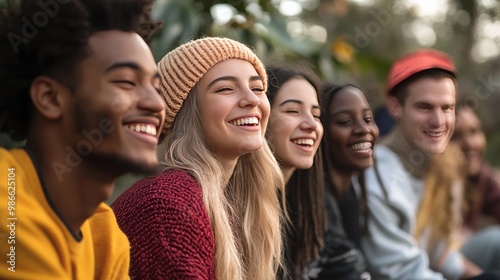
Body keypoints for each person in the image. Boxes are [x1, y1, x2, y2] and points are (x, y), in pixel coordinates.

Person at [0, 0, 164, 279]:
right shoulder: (8, 206)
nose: (156, 103)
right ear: (50, 99)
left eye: (156, 86)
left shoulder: (105, 237)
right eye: (126, 81)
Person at [112, 37, 285, 280]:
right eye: (225, 88)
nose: (253, 99)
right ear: (186, 111)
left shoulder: (225, 205)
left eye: (257, 88)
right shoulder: (168, 205)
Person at [360, 49, 498, 280]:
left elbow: (441, 253)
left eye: (447, 108)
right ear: (396, 108)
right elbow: (402, 273)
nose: (438, 121)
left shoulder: (445, 164)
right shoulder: (376, 179)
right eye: (424, 107)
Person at [305, 83, 376, 280]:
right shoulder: (314, 203)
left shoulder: (351, 193)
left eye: (368, 119)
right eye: (345, 122)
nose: (363, 129)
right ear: (321, 132)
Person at [265, 65, 326, 279]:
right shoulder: (234, 209)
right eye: (292, 111)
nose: (311, 125)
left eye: (316, 115)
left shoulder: (301, 207)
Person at [452, 102, 500, 271]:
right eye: (457, 136)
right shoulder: (435, 179)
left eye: (474, 131)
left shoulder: (481, 175)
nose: (470, 144)